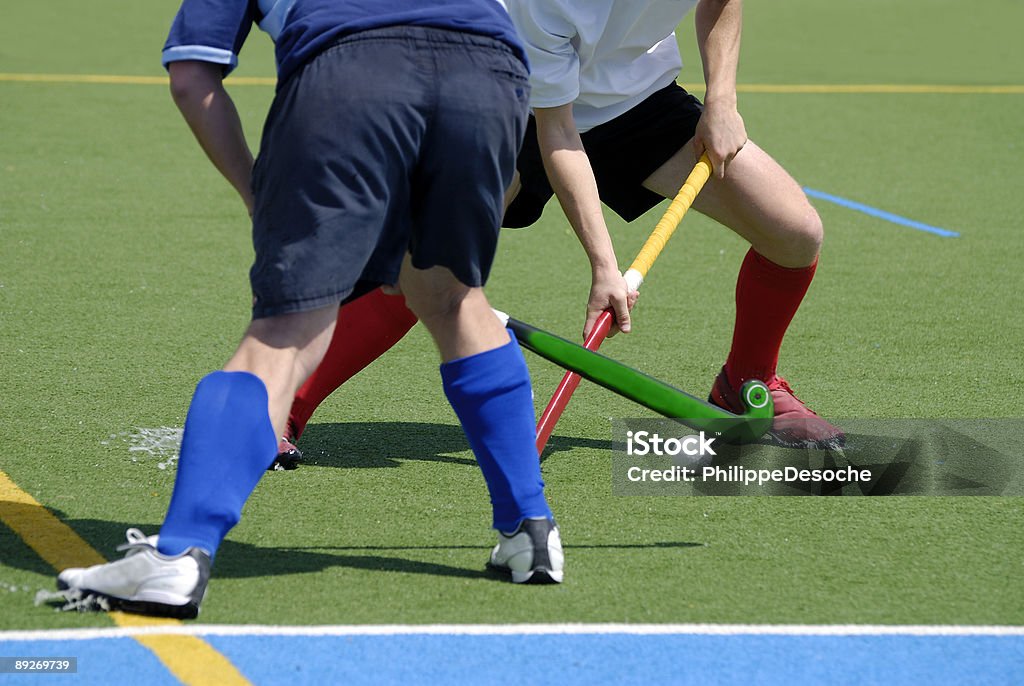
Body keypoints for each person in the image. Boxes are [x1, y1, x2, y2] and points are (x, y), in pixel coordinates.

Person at [55, 0, 564, 619]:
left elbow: (192, 75)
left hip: (352, 70)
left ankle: (178, 555)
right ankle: (529, 532)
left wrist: (255, 191)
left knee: (285, 333)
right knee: (456, 300)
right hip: (491, 71)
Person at [277, 0, 843, 454]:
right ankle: (285, 409)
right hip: (516, 106)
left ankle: (750, 381)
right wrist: (603, 267)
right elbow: (560, 137)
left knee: (794, 233)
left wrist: (722, 99)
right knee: (428, 265)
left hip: (638, 101)